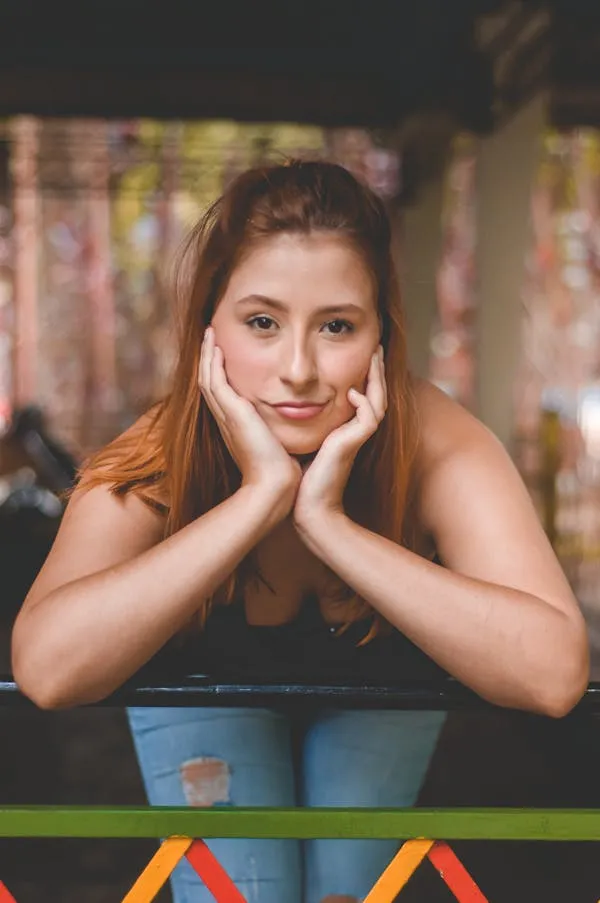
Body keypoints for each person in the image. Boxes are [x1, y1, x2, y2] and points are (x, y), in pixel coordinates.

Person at [11, 160, 589, 903]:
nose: (299, 369)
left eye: (338, 326)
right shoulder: (166, 452)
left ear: (383, 332)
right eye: (262, 322)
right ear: (207, 328)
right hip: (204, 695)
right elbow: (48, 669)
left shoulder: (438, 442)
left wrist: (329, 523)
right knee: (244, 894)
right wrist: (258, 497)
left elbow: (553, 675)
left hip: (379, 695)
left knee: (347, 897)